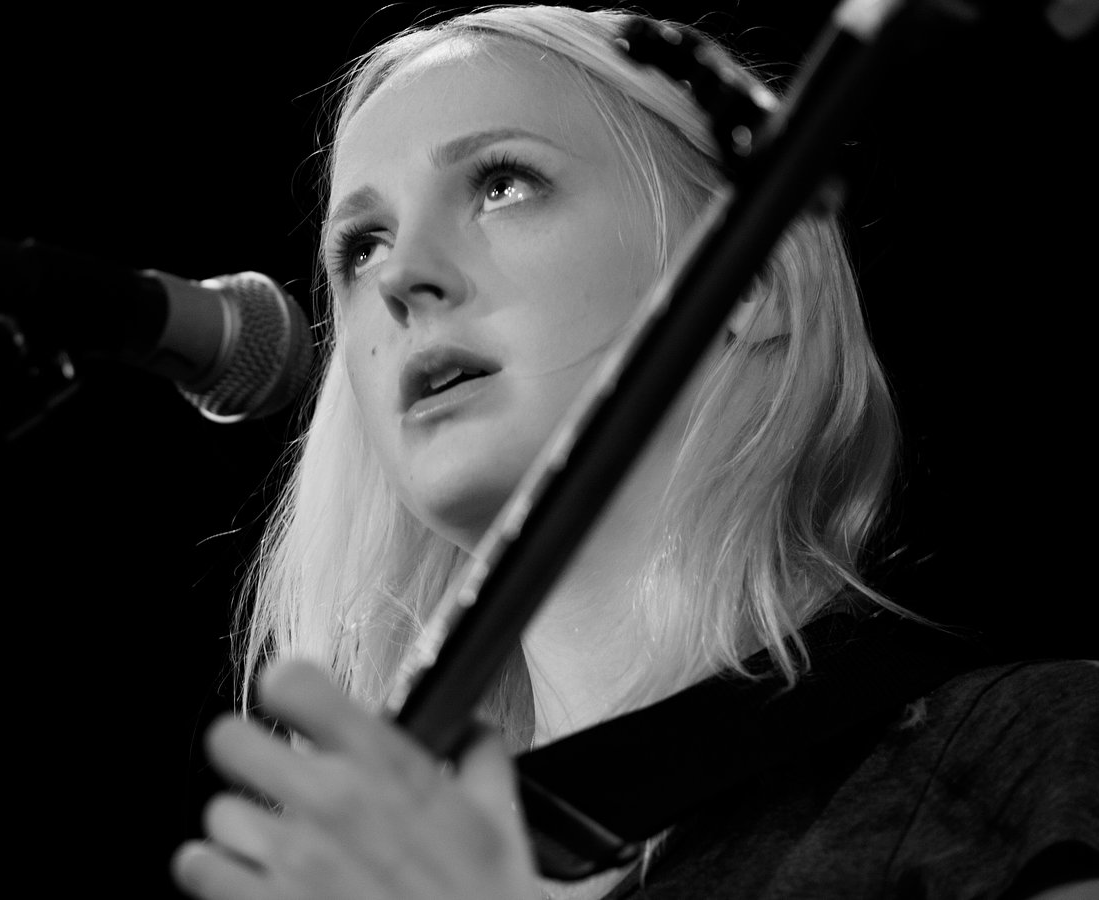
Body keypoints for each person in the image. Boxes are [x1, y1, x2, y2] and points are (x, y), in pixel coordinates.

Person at [171, 6, 1099, 899]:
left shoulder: (1029, 762)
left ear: (758, 279)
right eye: (362, 247)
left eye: (503, 184)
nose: (403, 277)